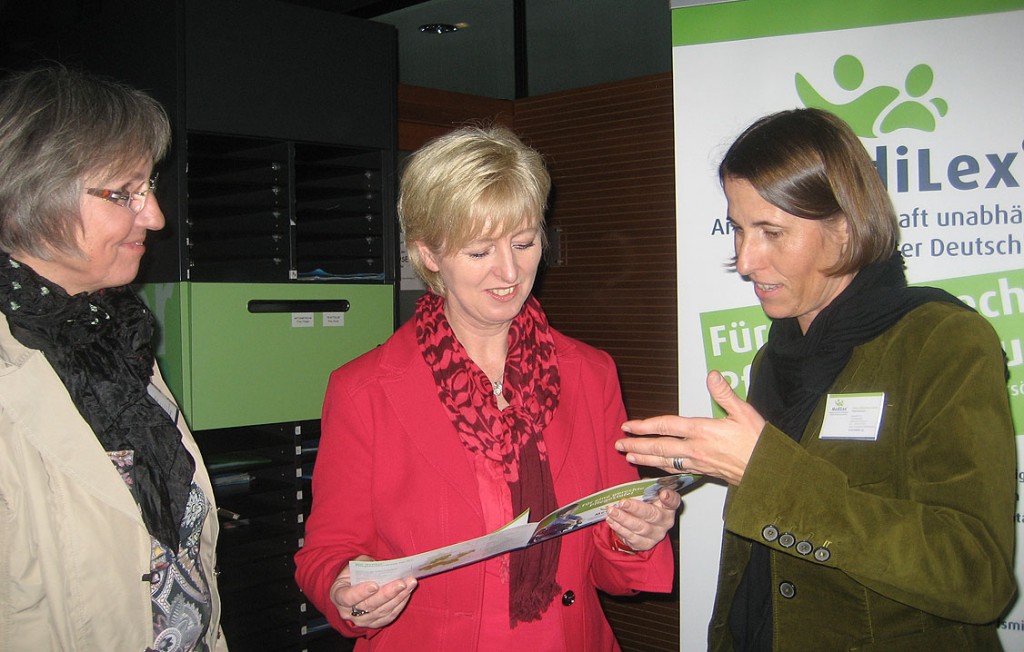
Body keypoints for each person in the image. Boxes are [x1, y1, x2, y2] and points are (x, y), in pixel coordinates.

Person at [616, 108, 1016, 650]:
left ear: (845, 229)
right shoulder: (774, 358)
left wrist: (767, 473)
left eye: (771, 232)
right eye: (737, 228)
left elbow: (977, 576)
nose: (745, 260)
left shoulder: (941, 342)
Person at [294, 125, 680, 650]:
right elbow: (328, 550)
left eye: (524, 243)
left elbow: (611, 553)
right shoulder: (365, 390)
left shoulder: (589, 373)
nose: (510, 271)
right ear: (429, 254)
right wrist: (345, 590)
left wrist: (634, 534)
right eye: (479, 252)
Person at [0, 66, 227, 650]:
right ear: (34, 194)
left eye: (147, 186)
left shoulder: (118, 340)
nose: (154, 216)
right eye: (125, 193)